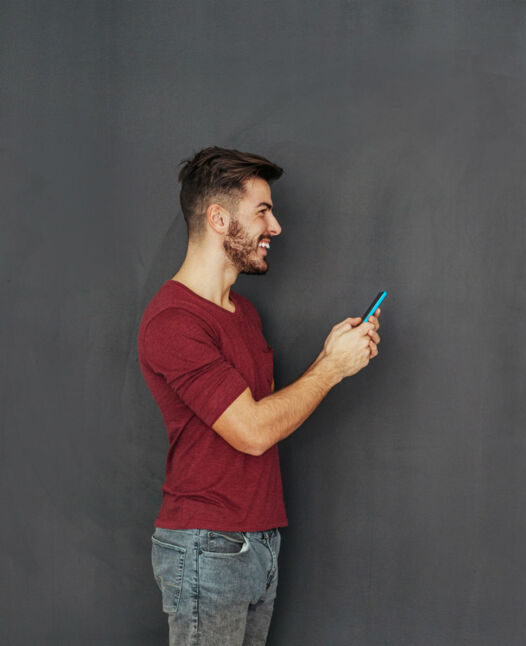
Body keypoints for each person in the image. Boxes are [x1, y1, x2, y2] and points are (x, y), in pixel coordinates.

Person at [137, 146, 382, 645]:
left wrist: (330, 357)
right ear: (219, 218)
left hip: (257, 542)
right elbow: (251, 432)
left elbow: (266, 414)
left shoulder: (243, 314)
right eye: (263, 211)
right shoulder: (174, 321)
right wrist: (331, 369)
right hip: (208, 547)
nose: (276, 228)